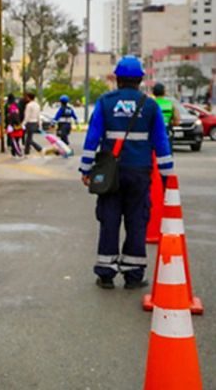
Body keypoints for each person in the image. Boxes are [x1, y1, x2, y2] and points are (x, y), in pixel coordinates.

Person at [79, 56, 173, 290]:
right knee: (137, 220)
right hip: (140, 172)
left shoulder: (105, 102)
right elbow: (161, 142)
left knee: (109, 219)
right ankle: (133, 275)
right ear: (140, 79)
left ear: (117, 78)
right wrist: (166, 174)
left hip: (110, 173)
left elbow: (92, 138)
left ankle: (106, 273)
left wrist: (85, 168)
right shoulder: (150, 105)